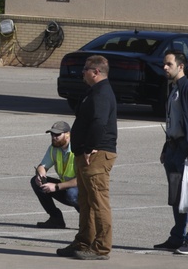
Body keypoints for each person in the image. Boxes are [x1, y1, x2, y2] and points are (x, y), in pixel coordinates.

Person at [56, 55, 117, 261]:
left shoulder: (101, 93)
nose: (82, 72)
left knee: (98, 201)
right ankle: (83, 241)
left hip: (97, 155)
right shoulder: (94, 92)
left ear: (95, 72)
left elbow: (99, 122)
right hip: (85, 153)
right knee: (86, 201)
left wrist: (91, 147)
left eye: (85, 69)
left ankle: (101, 247)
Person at [154, 50, 188, 255]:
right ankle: (177, 238)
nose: (165, 67)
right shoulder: (174, 89)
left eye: (169, 64)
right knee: (177, 197)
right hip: (174, 148)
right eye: (164, 64)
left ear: (181, 66)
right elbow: (172, 122)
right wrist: (166, 148)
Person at [32, 120, 79, 228]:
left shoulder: (77, 149)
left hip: (82, 189)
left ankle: (87, 221)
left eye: (57, 134)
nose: (54, 137)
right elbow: (42, 166)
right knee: (36, 183)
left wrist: (56, 186)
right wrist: (41, 175)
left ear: (68, 134)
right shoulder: (54, 148)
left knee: (72, 194)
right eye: (52, 134)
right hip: (64, 187)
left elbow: (82, 179)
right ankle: (56, 219)